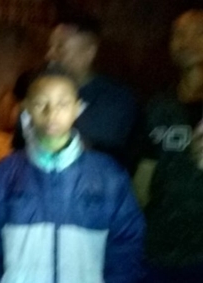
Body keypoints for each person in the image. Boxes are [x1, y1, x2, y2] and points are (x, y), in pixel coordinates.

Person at [0, 65, 145, 283]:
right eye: (41, 104)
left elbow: (128, 244)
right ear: (26, 110)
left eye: (62, 104)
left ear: (77, 109)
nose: (51, 113)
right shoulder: (5, 176)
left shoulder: (108, 176)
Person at [132, 9, 203, 283]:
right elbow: (143, 179)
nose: (185, 42)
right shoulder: (158, 105)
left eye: (197, 33)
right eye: (178, 34)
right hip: (156, 252)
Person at [13, 14, 139, 171]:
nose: (49, 55)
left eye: (60, 48)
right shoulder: (35, 91)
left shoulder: (116, 100)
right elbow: (19, 148)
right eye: (50, 47)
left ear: (89, 52)